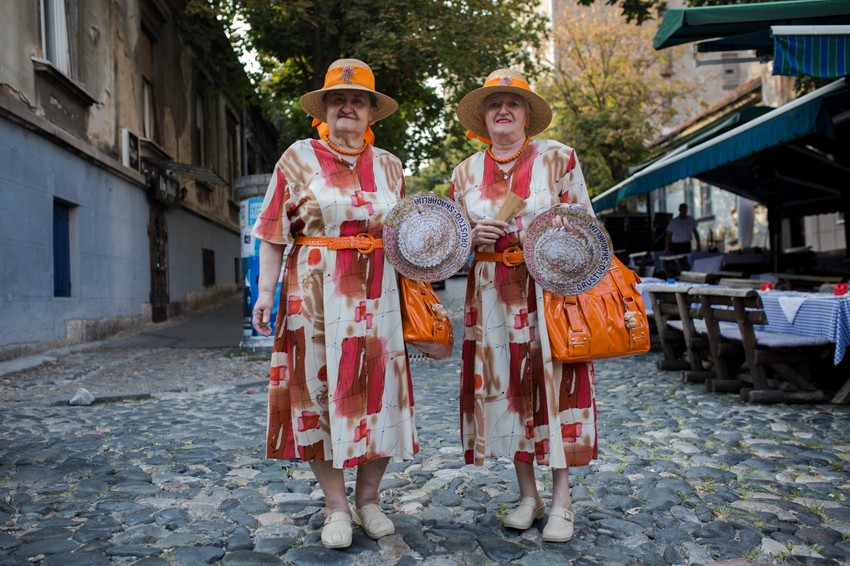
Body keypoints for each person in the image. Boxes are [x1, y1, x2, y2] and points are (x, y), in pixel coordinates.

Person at [251, 58, 417, 550]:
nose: (347, 106)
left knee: (380, 392)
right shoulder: (298, 157)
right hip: (314, 295)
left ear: (371, 112)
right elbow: (272, 232)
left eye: (357, 100)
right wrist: (265, 291)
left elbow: (406, 236)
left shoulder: (391, 166)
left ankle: (369, 500)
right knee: (317, 392)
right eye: (338, 99)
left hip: (380, 293)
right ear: (323, 109)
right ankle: (336, 506)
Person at [449, 68, 597, 543]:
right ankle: (527, 496)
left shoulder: (559, 158)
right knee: (509, 387)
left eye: (513, 102)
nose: (503, 110)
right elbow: (450, 248)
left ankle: (562, 501)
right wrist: (471, 237)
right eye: (494, 104)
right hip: (492, 292)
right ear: (484, 117)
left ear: (527, 114)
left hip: (548, 290)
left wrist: (559, 233)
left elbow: (590, 228)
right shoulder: (464, 173)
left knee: (554, 387)